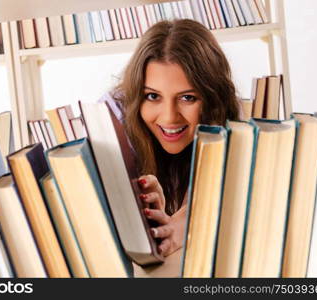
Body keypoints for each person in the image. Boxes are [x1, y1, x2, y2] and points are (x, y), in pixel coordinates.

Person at [101, 18, 241, 257]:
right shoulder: (112, 119)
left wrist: (184, 223)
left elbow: (222, 195)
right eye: (153, 96)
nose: (169, 117)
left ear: (212, 100)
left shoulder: (229, 126)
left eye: (187, 98)